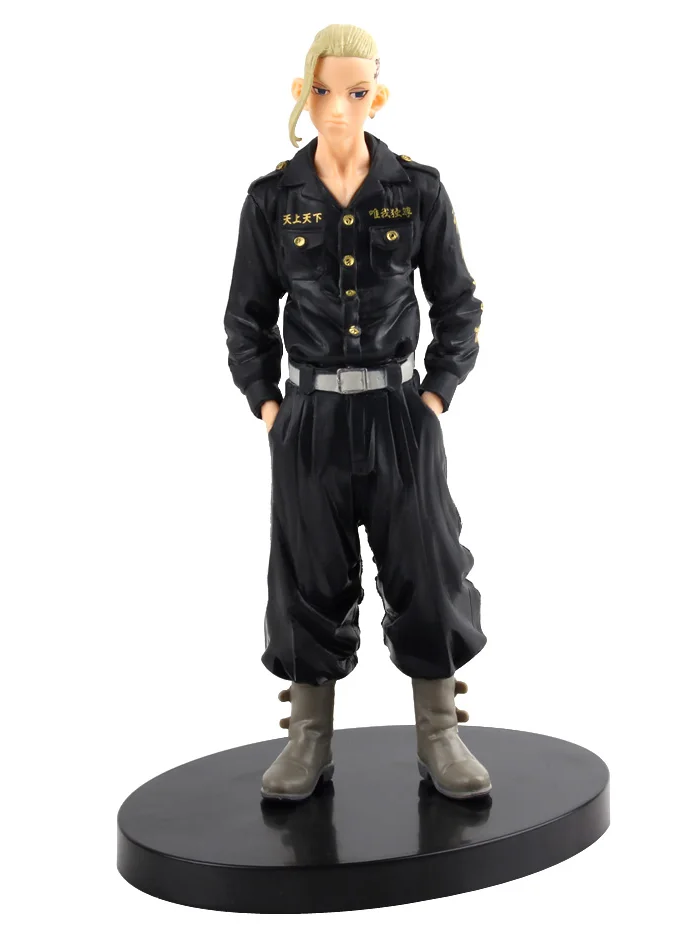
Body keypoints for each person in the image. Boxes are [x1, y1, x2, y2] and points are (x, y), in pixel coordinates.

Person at [223, 24, 490, 802]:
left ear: (379, 95)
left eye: (356, 91)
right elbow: (245, 318)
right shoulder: (272, 200)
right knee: (307, 572)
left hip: (400, 413)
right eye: (323, 91)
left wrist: (435, 394)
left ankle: (439, 731)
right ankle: (308, 738)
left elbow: (458, 304)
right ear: (302, 93)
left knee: (427, 563)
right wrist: (269, 407)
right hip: (309, 417)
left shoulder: (417, 191)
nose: (338, 108)